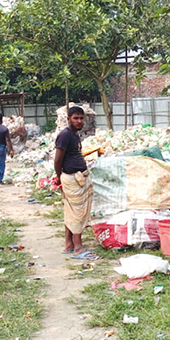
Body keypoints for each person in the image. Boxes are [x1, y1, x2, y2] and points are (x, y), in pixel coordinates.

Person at [53, 106, 99, 260]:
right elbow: (58, 159)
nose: (79, 121)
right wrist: (59, 177)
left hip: (77, 176)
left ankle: (69, 244)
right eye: (76, 118)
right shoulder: (65, 135)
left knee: (70, 211)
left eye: (81, 118)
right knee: (77, 212)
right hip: (71, 177)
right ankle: (78, 248)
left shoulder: (74, 134)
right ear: (68, 119)